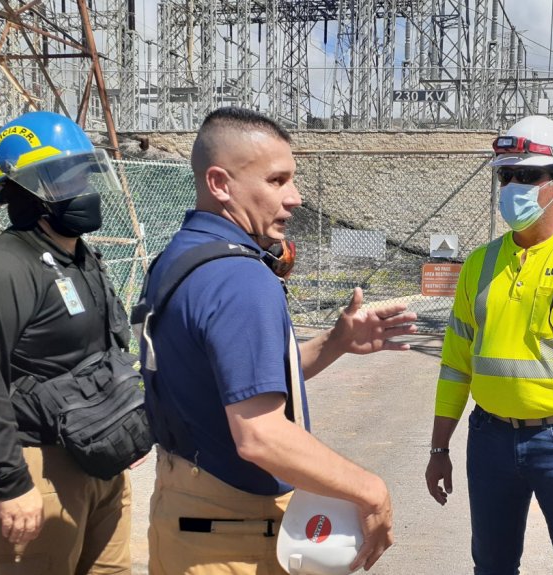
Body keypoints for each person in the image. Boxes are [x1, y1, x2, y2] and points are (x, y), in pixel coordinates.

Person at [141, 107, 417, 575]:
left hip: (185, 516)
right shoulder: (241, 279)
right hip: (231, 539)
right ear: (220, 184)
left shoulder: (178, 256)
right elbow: (259, 434)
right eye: (276, 180)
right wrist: (370, 490)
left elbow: (241, 381)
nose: (295, 197)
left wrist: (335, 341)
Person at [424, 115, 553, 575]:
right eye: (507, 175)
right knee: (493, 565)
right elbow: (455, 364)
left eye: (528, 175)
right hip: (489, 439)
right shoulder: (480, 264)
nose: (514, 186)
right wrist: (439, 449)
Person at [0, 111, 138, 574]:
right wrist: (11, 483)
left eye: (86, 173)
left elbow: (102, 351)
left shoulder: (80, 257)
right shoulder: (1, 271)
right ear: (28, 190)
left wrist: (118, 431)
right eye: (67, 176)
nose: (84, 187)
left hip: (96, 459)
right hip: (35, 463)